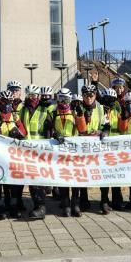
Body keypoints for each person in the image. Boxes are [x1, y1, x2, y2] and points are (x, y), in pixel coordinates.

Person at [0, 90, 27, 219]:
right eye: (4, 102)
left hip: (12, 154)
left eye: (9, 102)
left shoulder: (14, 116)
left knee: (13, 180)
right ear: (0, 102)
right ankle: (0, 207)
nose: (7, 104)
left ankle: (13, 205)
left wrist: (17, 131)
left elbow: (23, 133)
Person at [20, 85, 53, 219]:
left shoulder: (45, 109)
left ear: (39, 96)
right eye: (29, 95)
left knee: (38, 179)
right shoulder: (23, 109)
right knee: (32, 179)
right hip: (27, 150)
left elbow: (52, 127)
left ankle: (40, 207)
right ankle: (38, 206)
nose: (32, 97)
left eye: (34, 95)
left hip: (42, 150)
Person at [51, 88, 86, 217]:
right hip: (59, 150)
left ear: (70, 100)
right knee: (63, 178)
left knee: (75, 178)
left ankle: (75, 205)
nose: (64, 102)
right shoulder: (53, 112)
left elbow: (82, 130)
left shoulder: (74, 112)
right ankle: (65, 205)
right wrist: (55, 134)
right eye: (61, 99)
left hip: (73, 150)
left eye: (66, 99)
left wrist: (80, 116)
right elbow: (49, 128)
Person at [78, 84, 106, 211]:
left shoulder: (101, 108)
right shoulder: (78, 107)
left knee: (101, 173)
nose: (88, 98)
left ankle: (104, 200)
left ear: (95, 95)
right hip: (82, 145)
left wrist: (102, 132)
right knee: (82, 173)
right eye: (85, 96)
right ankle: (84, 200)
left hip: (97, 146)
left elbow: (106, 125)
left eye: (91, 95)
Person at [98, 87, 123, 213]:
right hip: (103, 147)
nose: (110, 101)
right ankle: (104, 200)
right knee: (105, 175)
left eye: (112, 99)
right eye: (107, 99)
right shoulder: (100, 112)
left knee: (116, 174)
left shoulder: (117, 111)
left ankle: (117, 199)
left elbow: (121, 127)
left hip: (116, 147)